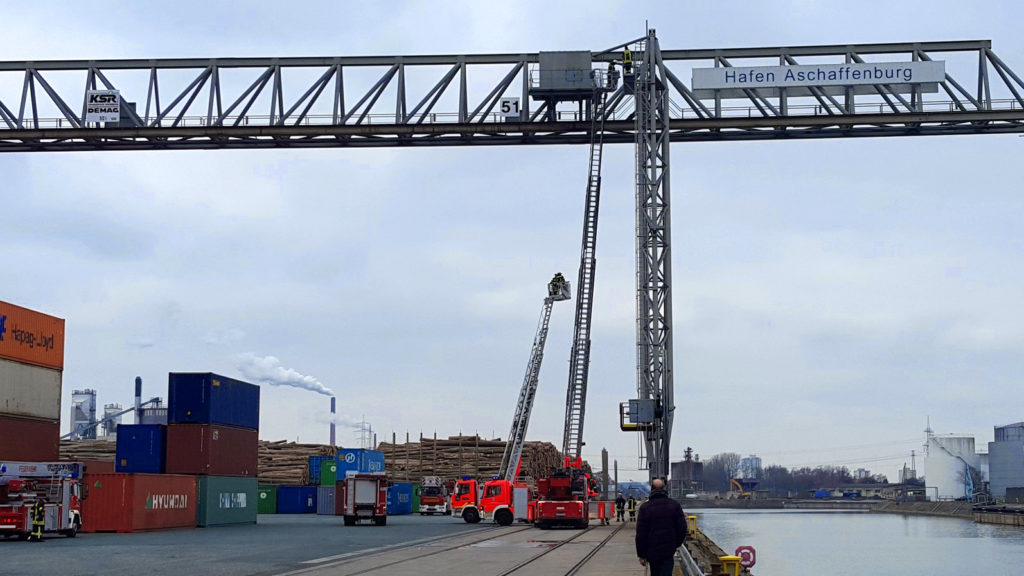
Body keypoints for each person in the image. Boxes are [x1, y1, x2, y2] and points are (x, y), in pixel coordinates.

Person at [635, 479, 686, 576]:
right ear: (664, 489)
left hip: (652, 551)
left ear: (651, 489)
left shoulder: (645, 507)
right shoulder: (674, 505)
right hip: (668, 550)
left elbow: (641, 533)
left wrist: (641, 555)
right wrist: (675, 544)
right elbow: (682, 528)